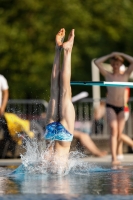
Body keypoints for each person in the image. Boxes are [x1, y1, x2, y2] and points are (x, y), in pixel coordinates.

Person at [44, 28, 75, 170]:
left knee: (62, 91)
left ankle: (66, 51)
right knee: (57, 91)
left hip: (58, 140)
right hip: (51, 132)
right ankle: (60, 50)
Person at [94, 52, 133, 165]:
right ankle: (114, 157)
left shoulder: (125, 75)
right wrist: (110, 54)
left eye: (118, 64)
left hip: (121, 107)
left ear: (120, 64)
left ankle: (117, 154)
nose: (116, 66)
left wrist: (121, 54)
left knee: (119, 134)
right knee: (113, 130)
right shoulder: (108, 75)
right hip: (110, 105)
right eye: (114, 64)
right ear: (111, 65)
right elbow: (96, 62)